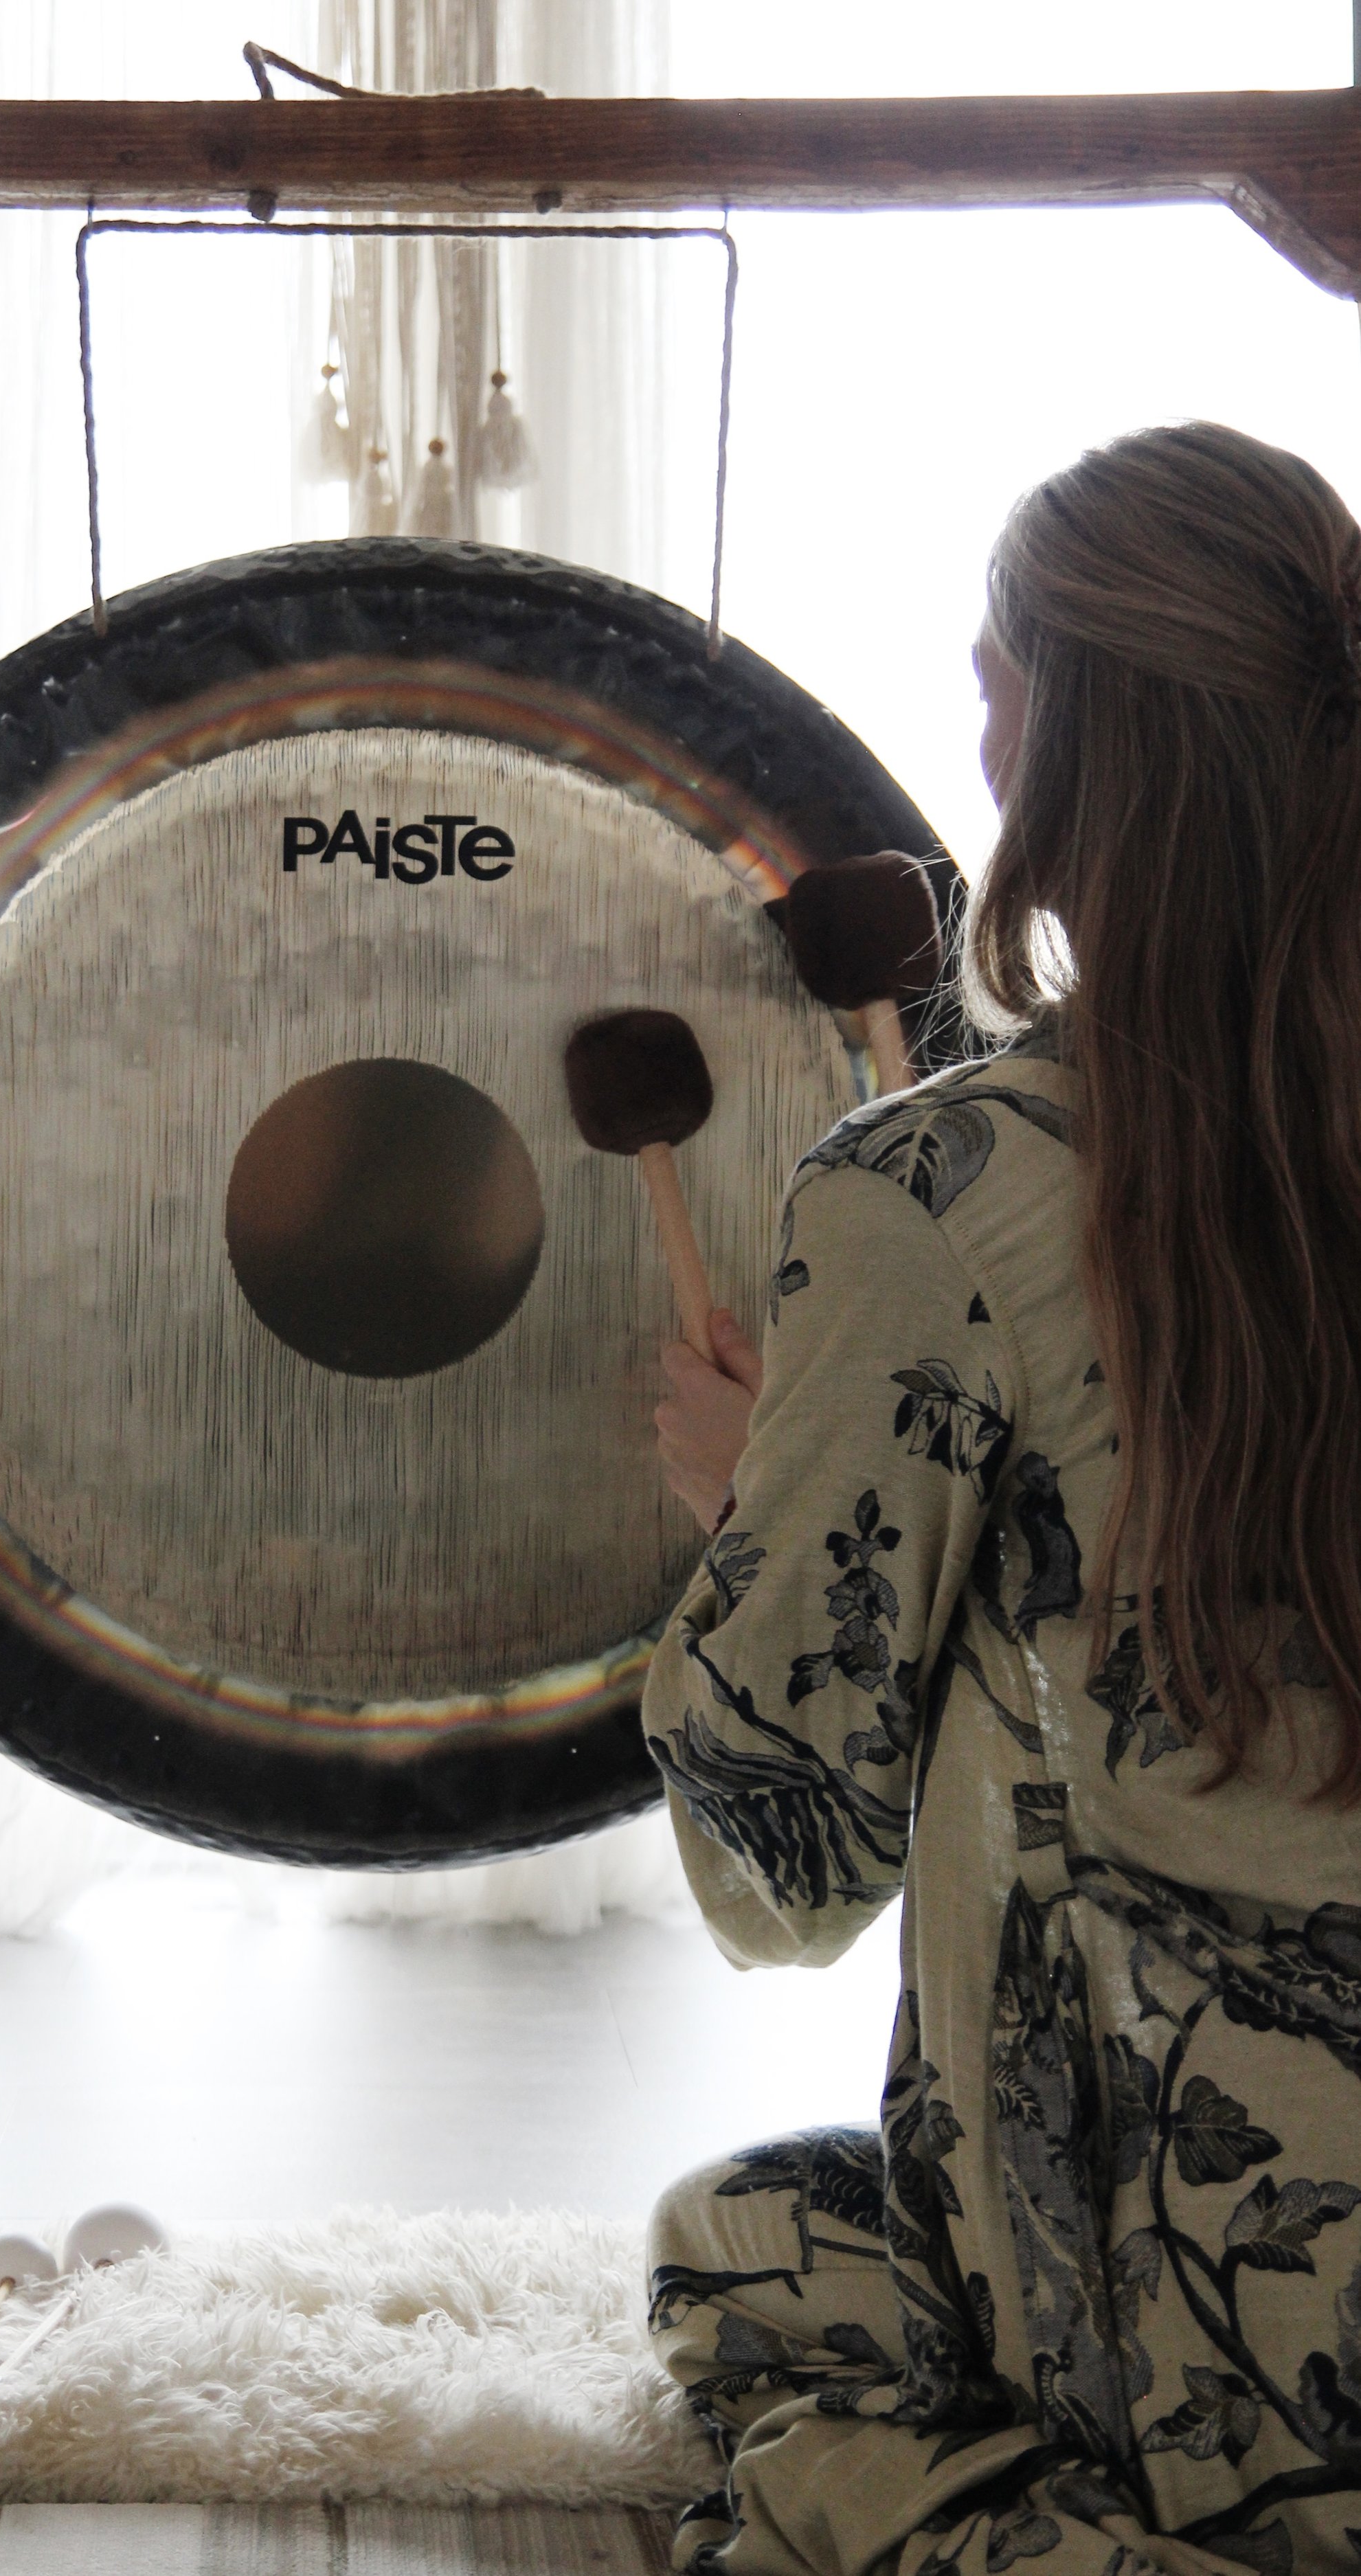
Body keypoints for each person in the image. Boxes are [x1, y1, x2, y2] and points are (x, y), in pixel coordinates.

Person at [641, 422, 1361, 2576]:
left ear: (1044, 737)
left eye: (987, 683)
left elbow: (781, 1863)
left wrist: (749, 1508)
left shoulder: (935, 1195)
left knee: (748, 2254)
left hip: (1222, 2323)